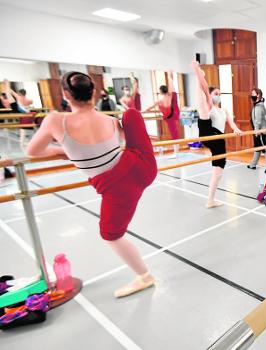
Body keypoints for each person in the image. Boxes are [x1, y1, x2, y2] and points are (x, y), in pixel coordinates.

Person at [26, 72, 157, 298]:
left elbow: (33, 151)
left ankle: (145, 277)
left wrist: (62, 151)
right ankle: (144, 276)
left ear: (66, 95)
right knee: (132, 116)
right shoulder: (109, 120)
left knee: (110, 234)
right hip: (141, 166)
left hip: (119, 187)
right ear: (94, 92)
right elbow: (120, 142)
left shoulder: (56, 120)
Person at [191, 61, 243, 208]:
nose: (218, 96)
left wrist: (236, 130)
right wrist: (198, 73)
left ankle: (210, 200)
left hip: (219, 140)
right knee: (203, 105)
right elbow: (205, 90)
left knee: (218, 173)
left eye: (219, 94)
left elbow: (232, 124)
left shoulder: (224, 111)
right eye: (216, 93)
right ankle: (197, 74)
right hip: (209, 133)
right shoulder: (209, 105)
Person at [143, 72, 180, 157]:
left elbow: (149, 108)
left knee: (174, 134)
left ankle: (176, 152)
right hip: (175, 113)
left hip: (170, 116)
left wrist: (141, 112)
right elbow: (171, 85)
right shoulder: (171, 95)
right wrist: (170, 76)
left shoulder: (160, 100)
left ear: (160, 91)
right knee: (175, 133)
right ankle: (176, 151)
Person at [247, 88, 266, 172]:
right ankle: (253, 165)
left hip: (261, 131)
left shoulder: (259, 106)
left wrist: (257, 131)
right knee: (257, 148)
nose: (251, 95)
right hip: (258, 130)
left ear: (258, 95)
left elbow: (258, 120)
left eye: (253, 93)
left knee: (265, 149)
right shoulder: (258, 105)